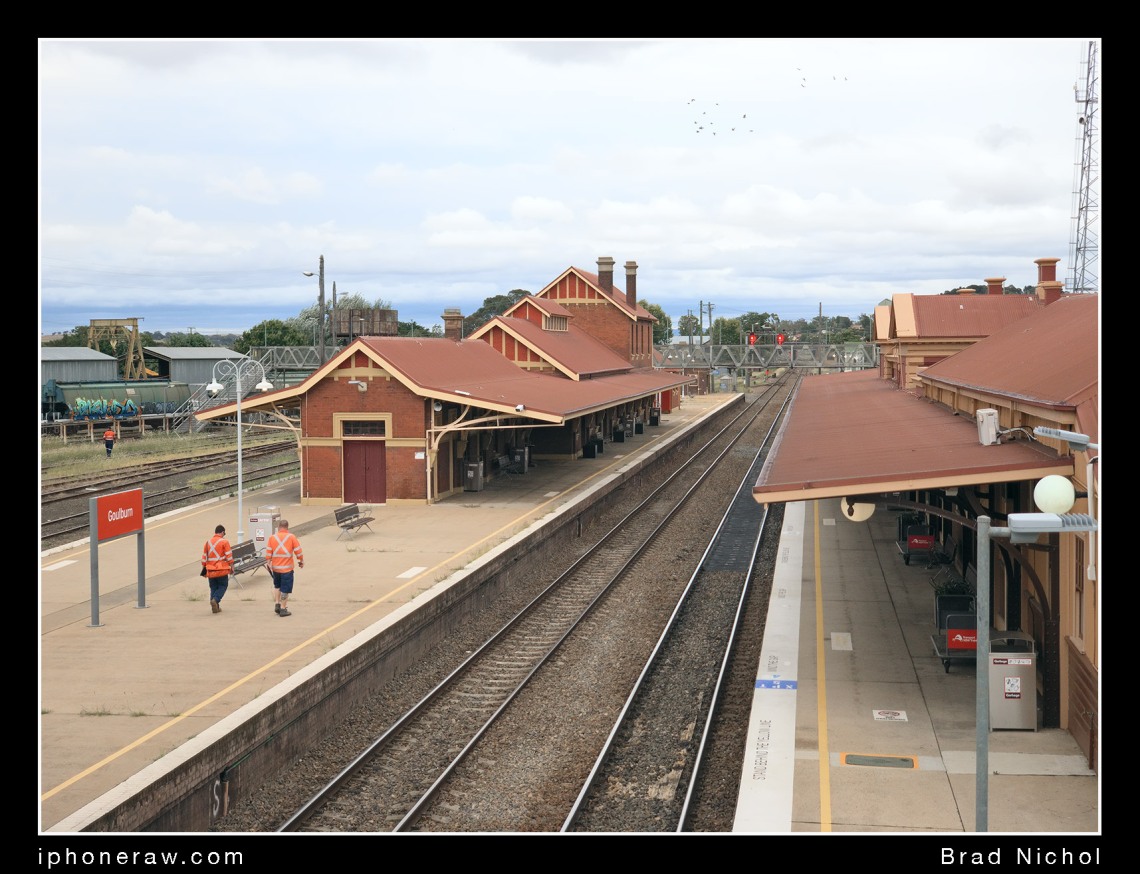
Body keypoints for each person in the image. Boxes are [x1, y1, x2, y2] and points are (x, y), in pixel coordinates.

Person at [266, 519, 304, 617]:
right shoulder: (291, 537)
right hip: (287, 569)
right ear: (287, 527)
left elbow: (268, 552)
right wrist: (300, 561)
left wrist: (269, 562)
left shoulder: (272, 538)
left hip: (276, 568)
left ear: (279, 527)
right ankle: (283, 608)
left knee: (277, 586)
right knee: (285, 589)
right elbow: (298, 551)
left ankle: (277, 604)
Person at [201, 524, 233, 614]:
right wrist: (232, 567)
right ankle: (215, 600)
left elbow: (204, 558)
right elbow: (229, 556)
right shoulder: (224, 542)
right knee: (223, 586)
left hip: (210, 570)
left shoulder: (208, 542)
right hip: (221, 569)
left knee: (213, 587)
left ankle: (215, 606)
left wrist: (204, 568)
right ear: (222, 532)